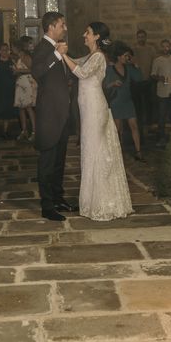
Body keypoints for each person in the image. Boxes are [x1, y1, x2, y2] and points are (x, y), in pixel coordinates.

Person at [62, 22, 133, 221]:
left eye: (88, 32)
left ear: (97, 37)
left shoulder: (100, 57)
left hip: (95, 109)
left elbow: (81, 72)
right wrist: (61, 53)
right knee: (89, 151)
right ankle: (91, 200)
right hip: (87, 109)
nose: (84, 34)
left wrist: (63, 55)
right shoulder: (91, 56)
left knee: (95, 152)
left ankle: (102, 202)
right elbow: (77, 62)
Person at [31, 12, 77, 221]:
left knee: (59, 161)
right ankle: (47, 206)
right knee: (47, 162)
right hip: (49, 115)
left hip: (62, 114)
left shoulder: (58, 48)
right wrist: (57, 55)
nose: (64, 28)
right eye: (62, 24)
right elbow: (37, 72)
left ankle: (58, 198)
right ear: (51, 27)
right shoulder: (42, 48)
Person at [104, 42, 144, 161]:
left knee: (134, 126)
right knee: (118, 129)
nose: (127, 58)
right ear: (119, 56)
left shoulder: (130, 69)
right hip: (116, 102)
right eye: (125, 55)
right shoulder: (110, 70)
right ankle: (118, 152)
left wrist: (136, 67)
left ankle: (138, 151)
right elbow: (105, 85)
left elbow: (139, 78)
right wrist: (113, 84)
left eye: (128, 56)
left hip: (128, 102)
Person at [151, 39, 171, 147]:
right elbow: (153, 74)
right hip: (162, 91)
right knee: (162, 116)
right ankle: (162, 138)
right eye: (163, 46)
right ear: (161, 47)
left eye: (167, 46)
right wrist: (159, 78)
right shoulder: (157, 60)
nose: (165, 48)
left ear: (170, 47)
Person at [131, 29, 156, 135]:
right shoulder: (133, 49)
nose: (141, 38)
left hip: (148, 80)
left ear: (146, 37)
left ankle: (149, 125)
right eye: (139, 36)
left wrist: (152, 75)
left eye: (142, 36)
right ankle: (139, 125)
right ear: (137, 38)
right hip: (137, 82)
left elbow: (154, 63)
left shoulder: (151, 49)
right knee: (138, 105)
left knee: (149, 103)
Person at [13, 39, 37, 141]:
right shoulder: (18, 57)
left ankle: (34, 131)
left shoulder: (26, 56)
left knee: (28, 107)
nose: (11, 49)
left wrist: (19, 70)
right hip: (21, 83)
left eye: (13, 47)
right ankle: (24, 130)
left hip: (28, 82)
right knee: (21, 108)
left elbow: (32, 69)